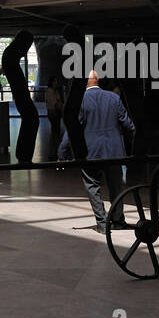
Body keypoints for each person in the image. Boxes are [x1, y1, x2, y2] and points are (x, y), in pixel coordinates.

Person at [59, 71, 135, 233]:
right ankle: (118, 220)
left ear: (84, 83)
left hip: (91, 152)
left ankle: (102, 224)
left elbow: (72, 130)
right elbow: (128, 125)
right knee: (116, 187)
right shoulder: (113, 98)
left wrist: (62, 152)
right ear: (97, 80)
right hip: (114, 151)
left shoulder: (80, 101)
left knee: (93, 187)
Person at [45, 76, 64, 161]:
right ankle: (54, 152)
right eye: (55, 81)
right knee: (55, 132)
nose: (56, 83)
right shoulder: (50, 91)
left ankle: (54, 151)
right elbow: (55, 103)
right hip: (54, 113)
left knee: (55, 132)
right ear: (52, 82)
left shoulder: (54, 91)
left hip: (55, 113)